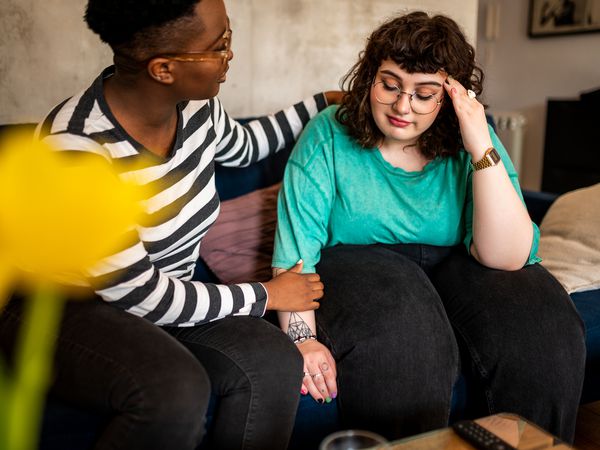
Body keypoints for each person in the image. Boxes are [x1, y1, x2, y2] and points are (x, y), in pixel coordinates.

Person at [0, 0, 342, 449]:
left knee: (275, 358)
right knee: (175, 390)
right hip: (72, 307)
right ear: (163, 68)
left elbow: (246, 147)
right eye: (220, 45)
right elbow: (141, 296)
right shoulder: (78, 149)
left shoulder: (196, 108)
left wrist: (325, 102)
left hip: (168, 290)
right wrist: (267, 295)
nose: (230, 55)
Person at [272, 11, 585, 443]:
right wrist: (302, 339)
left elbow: (507, 257)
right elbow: (296, 255)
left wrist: (479, 140)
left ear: (451, 96)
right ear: (369, 79)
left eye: (425, 94)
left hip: (457, 265)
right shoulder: (328, 134)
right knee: (407, 334)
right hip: (359, 267)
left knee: (542, 324)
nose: (403, 106)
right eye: (390, 85)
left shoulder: (471, 139)